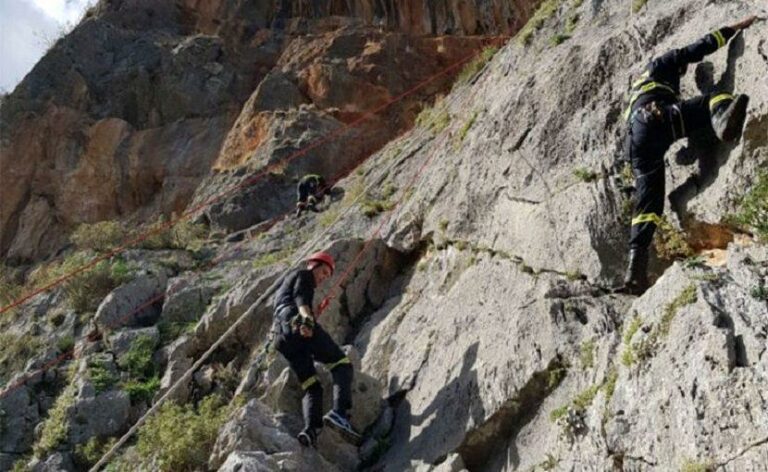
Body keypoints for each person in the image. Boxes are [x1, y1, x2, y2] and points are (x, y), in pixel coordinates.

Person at [618, 15, 758, 295]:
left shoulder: (639, 89)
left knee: (649, 207)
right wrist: (734, 28)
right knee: (714, 99)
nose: (682, 72)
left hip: (635, 145)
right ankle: (721, 121)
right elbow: (699, 47)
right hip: (655, 119)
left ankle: (635, 274)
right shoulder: (661, 64)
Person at [272, 251, 360, 447]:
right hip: (296, 323)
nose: (324, 278)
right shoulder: (304, 275)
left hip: (283, 338)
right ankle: (339, 413)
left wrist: (315, 312)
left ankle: (310, 431)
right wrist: (307, 317)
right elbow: (301, 298)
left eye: (327, 275)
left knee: (312, 386)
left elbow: (292, 304)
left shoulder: (284, 289)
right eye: (324, 272)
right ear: (313, 265)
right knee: (342, 364)